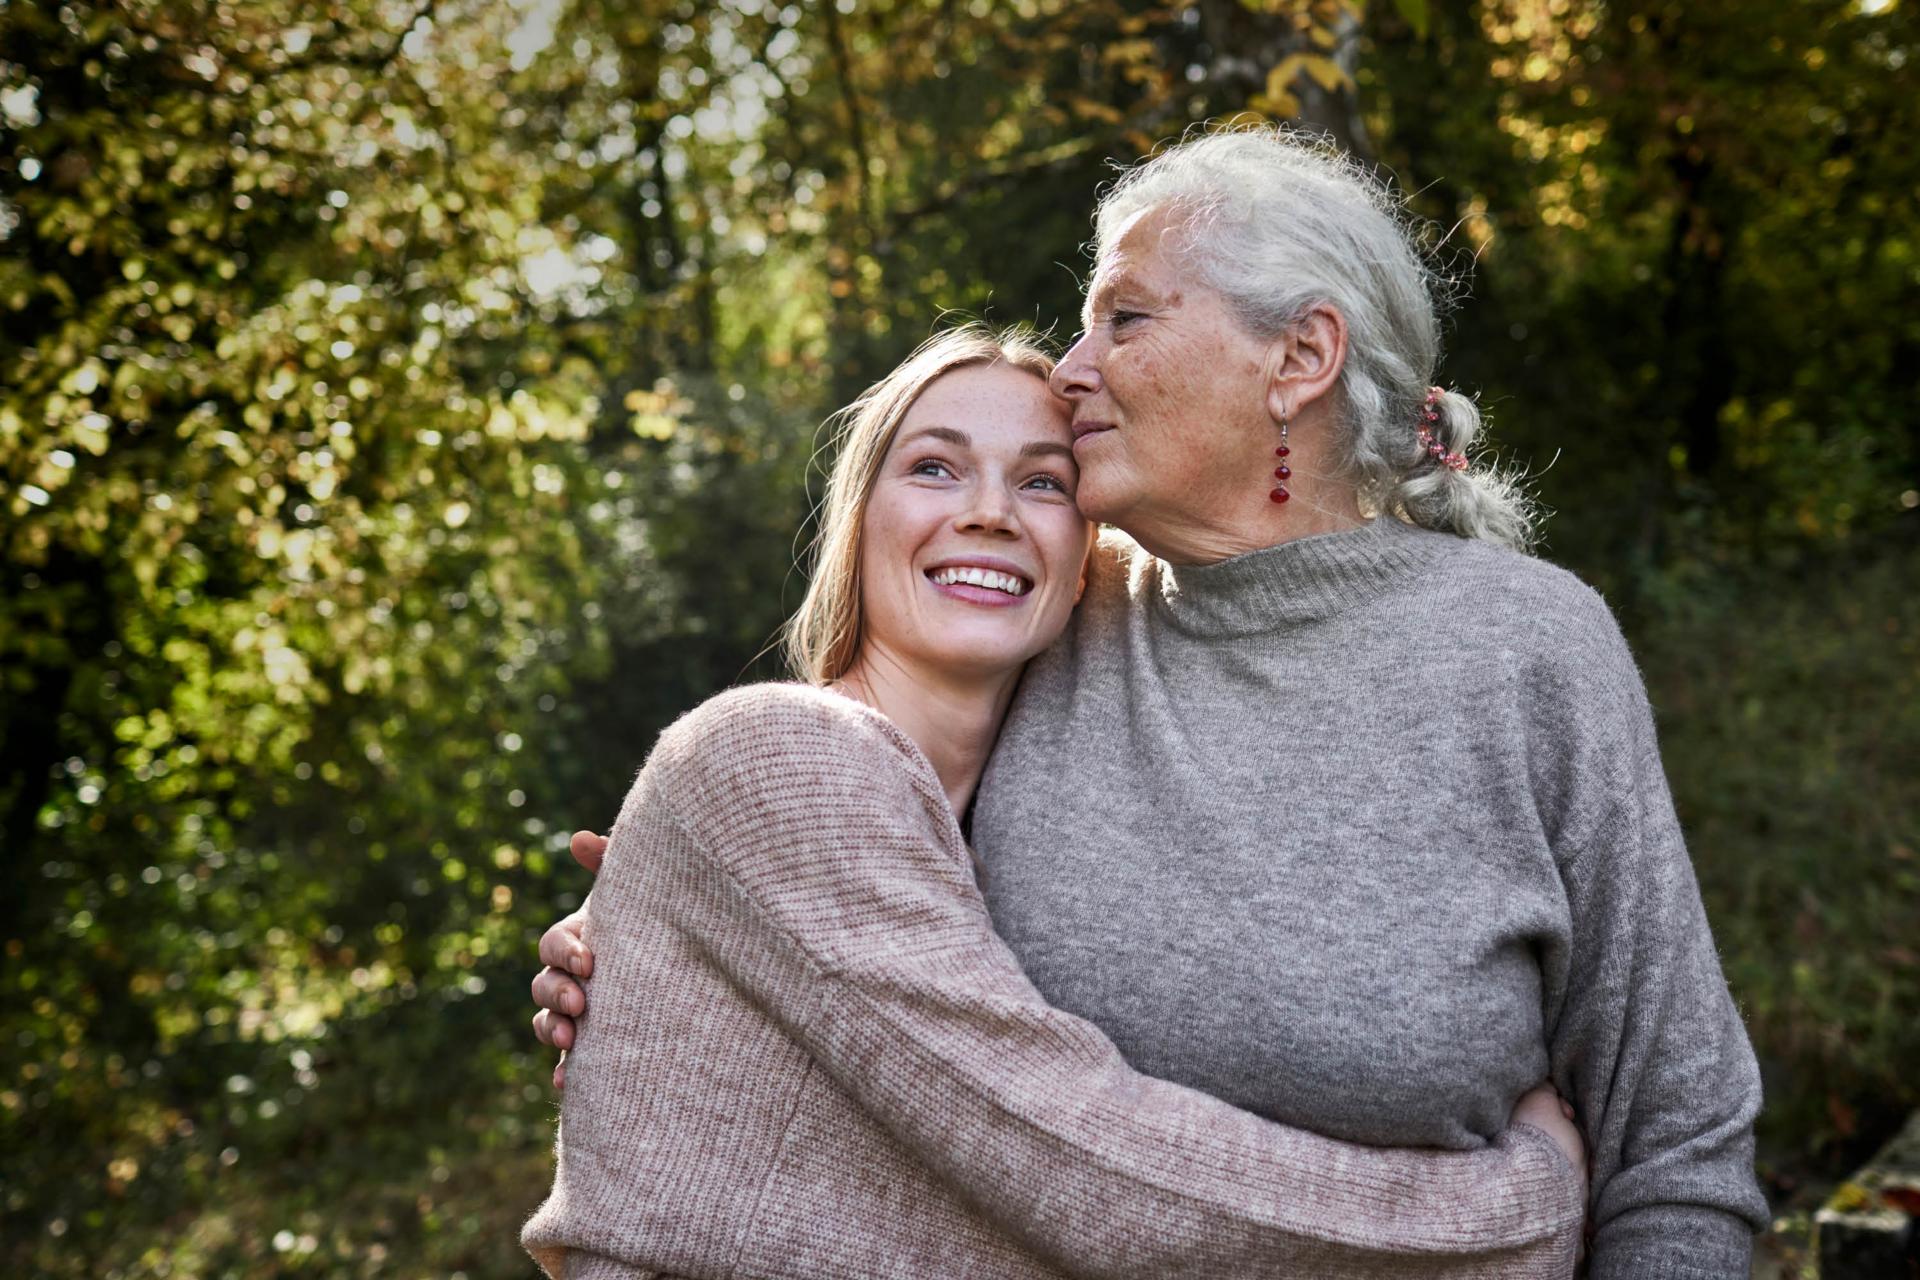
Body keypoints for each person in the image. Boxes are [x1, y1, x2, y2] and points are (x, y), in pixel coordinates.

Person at [532, 127, 1768, 1277]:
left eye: (1123, 317)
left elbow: (1680, 1142)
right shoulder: (1060, 615)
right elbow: (832, 822)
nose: (1072, 371)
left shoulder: (1526, 649)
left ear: (1300, 356)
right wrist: (650, 926)